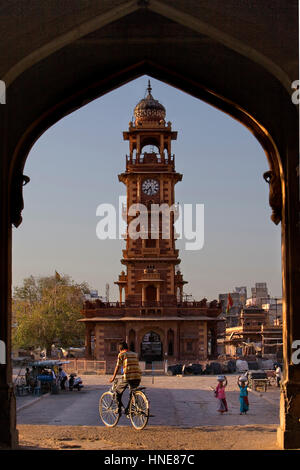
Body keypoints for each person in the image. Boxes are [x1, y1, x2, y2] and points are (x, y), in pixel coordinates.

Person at [110, 341, 142, 414]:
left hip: (128, 377)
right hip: (138, 377)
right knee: (132, 392)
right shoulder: (135, 354)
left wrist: (113, 377)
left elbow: (117, 367)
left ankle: (118, 408)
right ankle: (128, 409)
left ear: (120, 349)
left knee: (117, 391)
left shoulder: (121, 354)